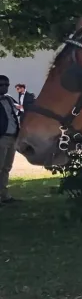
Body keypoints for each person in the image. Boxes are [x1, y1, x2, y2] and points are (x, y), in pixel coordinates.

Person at [0, 75, 20, 205]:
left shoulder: (9, 99)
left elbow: (15, 115)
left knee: (7, 167)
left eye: (7, 84)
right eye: (2, 85)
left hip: (12, 137)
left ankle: (4, 195)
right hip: (1, 138)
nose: (5, 87)